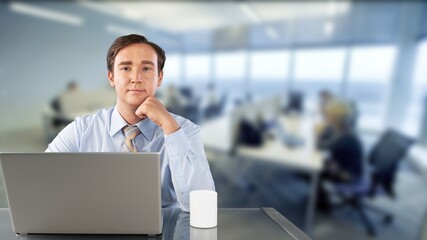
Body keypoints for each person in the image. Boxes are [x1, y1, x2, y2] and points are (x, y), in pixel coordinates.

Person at [46, 34, 215, 212]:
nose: (136, 78)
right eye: (126, 68)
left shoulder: (185, 131)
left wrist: (170, 127)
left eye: (146, 68)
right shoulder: (81, 130)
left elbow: (200, 207)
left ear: (159, 78)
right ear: (111, 78)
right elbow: (43, 179)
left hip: (164, 231)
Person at [316, 100, 364, 212]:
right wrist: (325, 130)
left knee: (313, 170)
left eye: (327, 115)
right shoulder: (341, 129)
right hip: (345, 166)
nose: (325, 117)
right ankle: (319, 196)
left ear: (334, 118)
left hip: (348, 174)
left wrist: (319, 132)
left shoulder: (345, 137)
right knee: (319, 164)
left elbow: (321, 146)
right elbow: (325, 140)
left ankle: (322, 204)